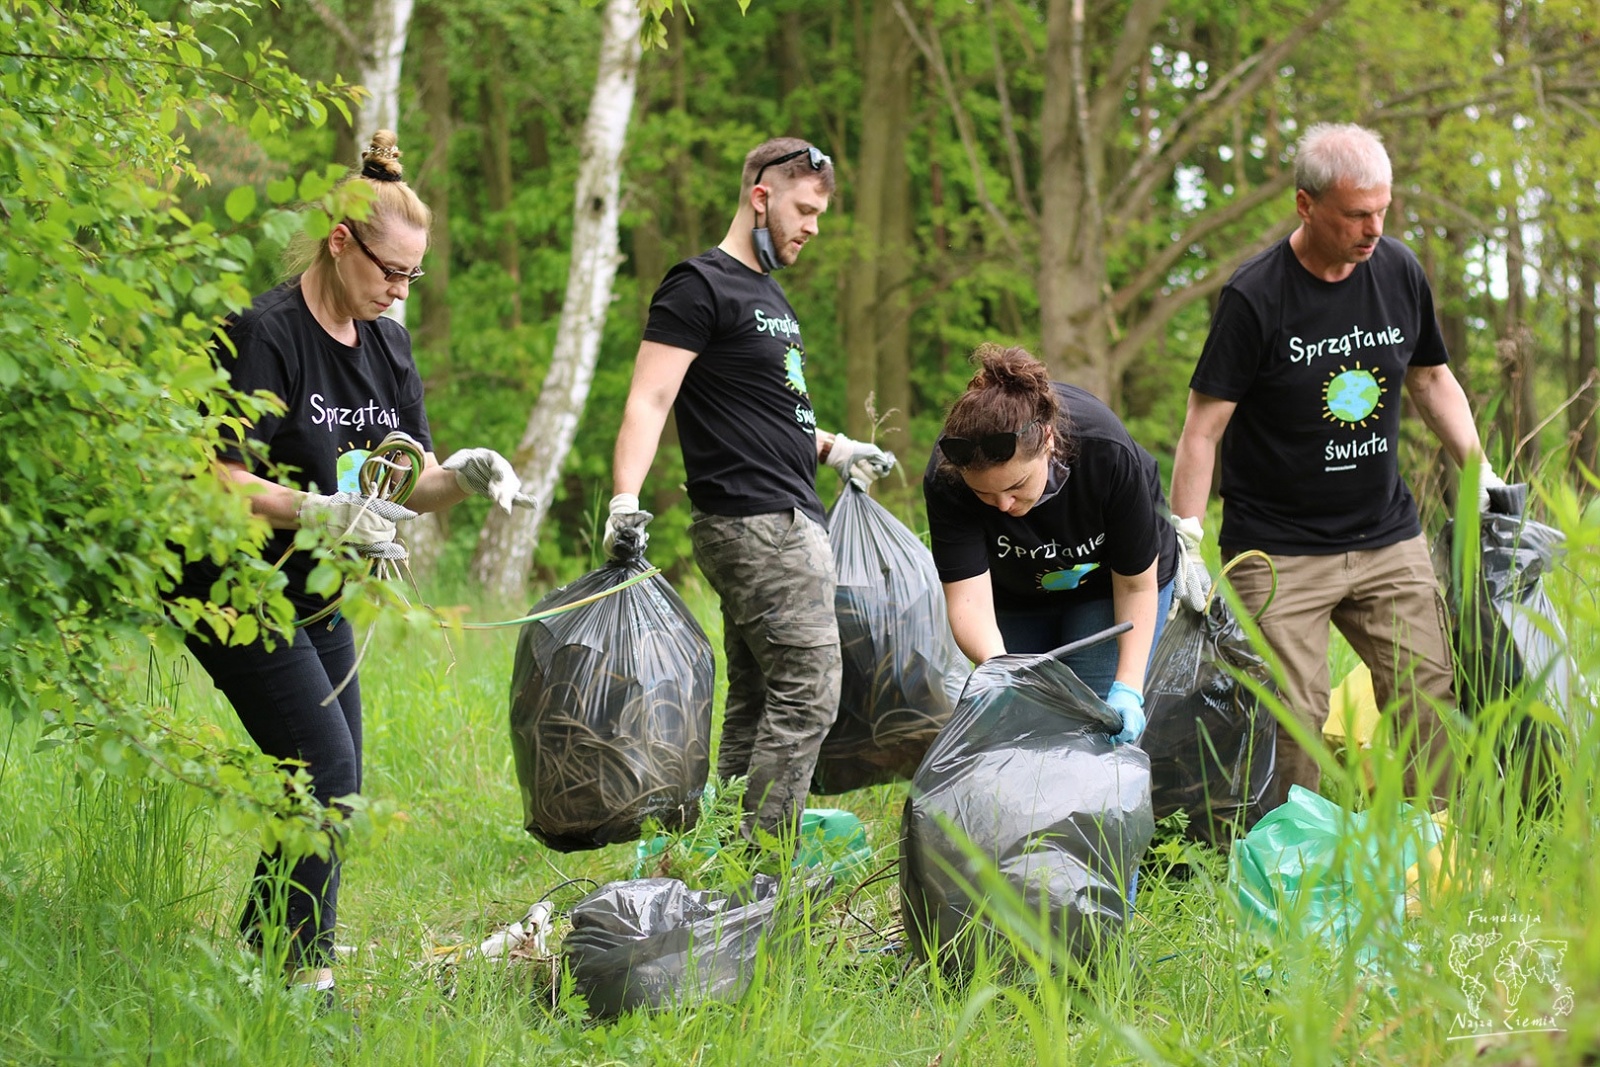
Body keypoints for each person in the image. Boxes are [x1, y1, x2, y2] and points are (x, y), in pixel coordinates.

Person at [173, 131, 534, 1001]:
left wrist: (469, 474)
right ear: (341, 242)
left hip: (318, 587)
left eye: (413, 277)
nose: (400, 290)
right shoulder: (265, 333)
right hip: (232, 584)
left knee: (331, 778)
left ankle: (265, 962)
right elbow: (211, 473)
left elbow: (407, 481)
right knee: (323, 769)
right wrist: (319, 509)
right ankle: (308, 977)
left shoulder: (389, 347)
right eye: (390, 272)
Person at [1169, 122, 1503, 809]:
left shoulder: (1399, 271)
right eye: (1356, 213)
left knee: (1428, 692)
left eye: (1382, 209)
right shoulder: (1255, 297)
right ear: (1305, 204)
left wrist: (1482, 471)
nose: (1373, 227)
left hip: (1386, 534)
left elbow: (1432, 380)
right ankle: (1295, 858)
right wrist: (1187, 534)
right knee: (1293, 713)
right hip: (1279, 546)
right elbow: (1203, 427)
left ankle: (1427, 844)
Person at [605, 138, 893, 842]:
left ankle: (719, 854)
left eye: (820, 214)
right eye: (803, 209)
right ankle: (764, 867)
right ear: (760, 196)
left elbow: (772, 409)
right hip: (757, 522)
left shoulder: (770, 296)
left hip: (789, 512)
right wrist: (623, 497)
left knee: (761, 697)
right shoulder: (698, 284)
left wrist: (835, 447)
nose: (812, 227)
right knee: (811, 694)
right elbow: (651, 397)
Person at [924, 344, 1179, 744]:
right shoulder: (949, 477)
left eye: (1015, 486)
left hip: (1108, 587)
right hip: (1014, 591)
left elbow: (1135, 585)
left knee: (1086, 724)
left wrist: (1128, 688)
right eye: (986, 496)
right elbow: (967, 599)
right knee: (1017, 725)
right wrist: (1001, 672)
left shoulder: (1104, 450)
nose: (1004, 506)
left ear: (1047, 441)